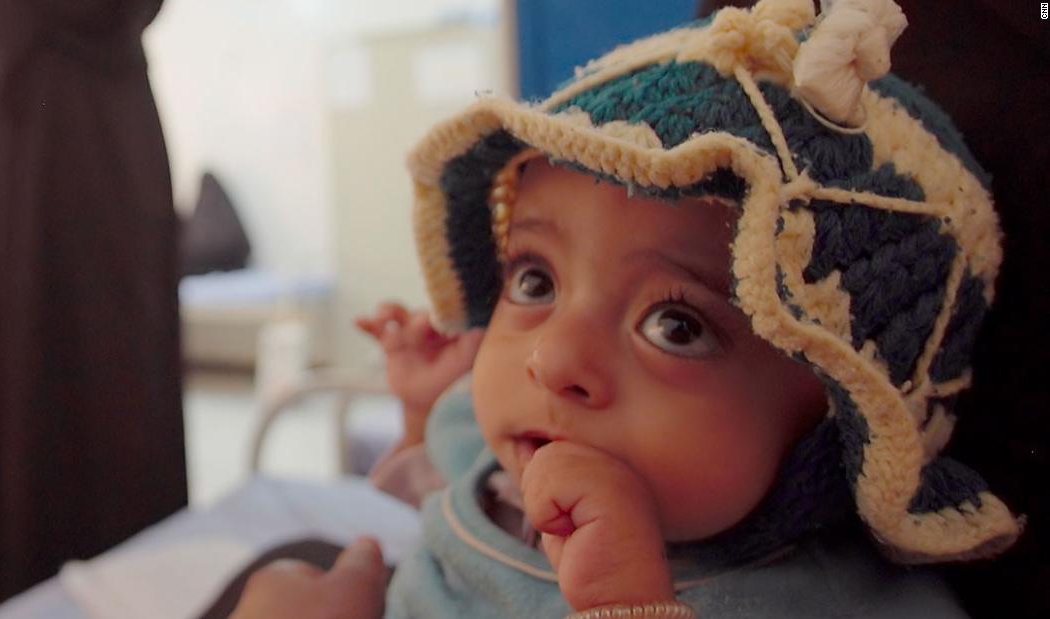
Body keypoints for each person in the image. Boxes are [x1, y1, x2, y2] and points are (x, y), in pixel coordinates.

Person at [230, 0, 1023, 617]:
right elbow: (438, 491)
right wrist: (415, 414)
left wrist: (629, 601)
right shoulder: (495, 438)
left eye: (675, 325)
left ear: (840, 429)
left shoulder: (831, 602)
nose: (552, 358)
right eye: (534, 281)